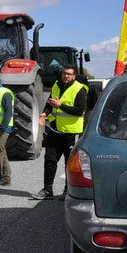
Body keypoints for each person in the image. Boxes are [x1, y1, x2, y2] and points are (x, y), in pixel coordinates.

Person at [33, 63, 87, 200]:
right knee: (49, 161)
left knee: (69, 164)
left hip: (70, 133)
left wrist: (60, 105)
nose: (66, 76)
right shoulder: (57, 86)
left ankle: (68, 191)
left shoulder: (79, 89)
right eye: (64, 73)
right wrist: (45, 113)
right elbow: (50, 104)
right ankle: (47, 190)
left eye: (69, 74)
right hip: (54, 130)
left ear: (74, 76)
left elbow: (79, 111)